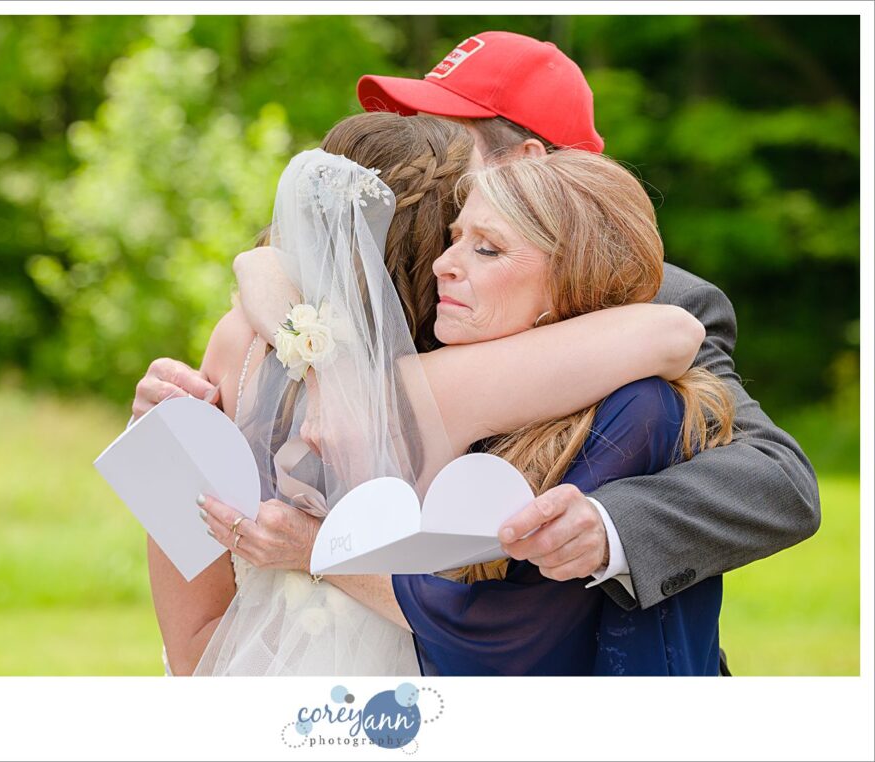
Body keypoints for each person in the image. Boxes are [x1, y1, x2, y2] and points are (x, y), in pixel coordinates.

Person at [143, 31, 820, 617]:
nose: (415, 153)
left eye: (442, 134)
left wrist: (612, 525)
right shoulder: (402, 279)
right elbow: (265, 274)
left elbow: (778, 480)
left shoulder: (656, 302)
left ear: (524, 163)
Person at [150, 112, 705, 676]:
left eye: (487, 246)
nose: (447, 264)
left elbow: (191, 640)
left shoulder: (235, 343)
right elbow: (674, 331)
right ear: (425, 247)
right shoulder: (441, 386)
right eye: (454, 236)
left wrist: (302, 337)